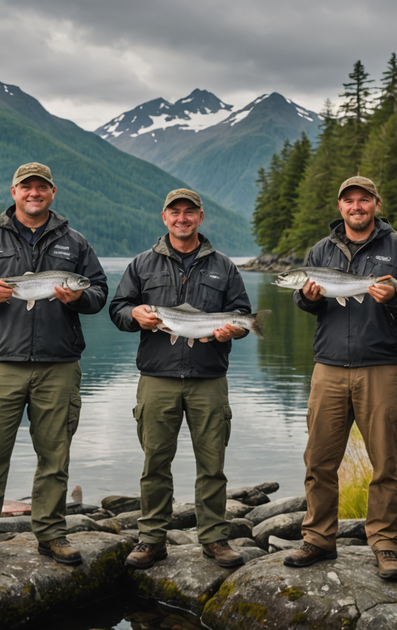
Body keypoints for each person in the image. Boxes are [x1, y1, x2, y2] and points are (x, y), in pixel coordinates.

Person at [0, 162, 108, 572]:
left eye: (42, 187)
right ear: (13, 191)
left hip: (59, 364)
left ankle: (51, 534)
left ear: (53, 192)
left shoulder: (76, 243)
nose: (34, 193)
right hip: (1, 362)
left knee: (55, 456)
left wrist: (78, 299)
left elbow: (99, 293)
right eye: (26, 187)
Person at [285, 176, 397, 580]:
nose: (356, 207)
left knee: (384, 462)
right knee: (318, 460)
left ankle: (385, 545)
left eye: (363, 200)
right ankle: (317, 538)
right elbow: (305, 301)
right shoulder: (321, 250)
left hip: (382, 367)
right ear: (340, 207)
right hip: (328, 367)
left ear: (376, 204)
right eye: (348, 201)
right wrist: (306, 297)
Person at [109, 188, 250, 570]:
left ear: (201, 217)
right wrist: (133, 314)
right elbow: (118, 309)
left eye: (190, 212)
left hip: (208, 378)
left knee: (212, 464)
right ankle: (152, 539)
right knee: (155, 462)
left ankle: (215, 539)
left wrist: (233, 329)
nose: (182, 218)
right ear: (164, 217)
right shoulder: (141, 264)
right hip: (157, 378)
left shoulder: (224, 266)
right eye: (176, 212)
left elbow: (241, 314)